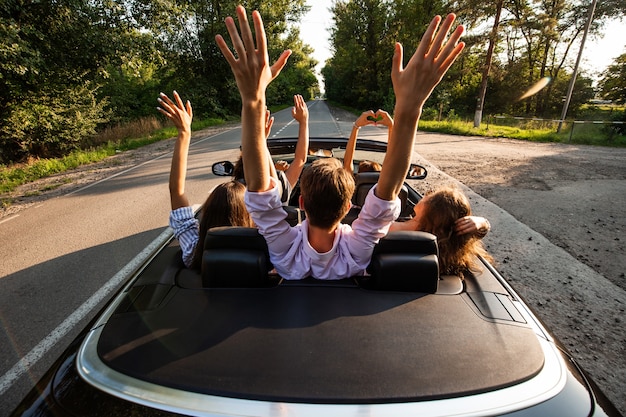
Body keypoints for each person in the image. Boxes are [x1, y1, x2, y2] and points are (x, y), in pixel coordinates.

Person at [215, 6, 465, 280]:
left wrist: (253, 98)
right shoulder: (357, 252)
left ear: (301, 202)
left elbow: (260, 194)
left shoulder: (285, 251)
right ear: (348, 209)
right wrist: (410, 108)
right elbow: (387, 193)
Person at [158, 91, 253, 270]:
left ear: (207, 215)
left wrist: (184, 133)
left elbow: (176, 191)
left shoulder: (194, 252)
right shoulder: (267, 253)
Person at [390, 185, 492, 278]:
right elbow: (473, 235)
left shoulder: (392, 230)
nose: (425, 196)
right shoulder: (449, 252)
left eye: (429, 195)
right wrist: (484, 223)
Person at [233, 94, 309, 205]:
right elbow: (300, 159)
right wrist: (304, 121)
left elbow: (300, 159)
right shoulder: (279, 193)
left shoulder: (231, 196)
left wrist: (260, 138)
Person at [343, 110, 392, 175]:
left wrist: (356, 126)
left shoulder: (353, 184)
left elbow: (347, 164)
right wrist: (391, 126)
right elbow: (392, 160)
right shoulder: (387, 184)